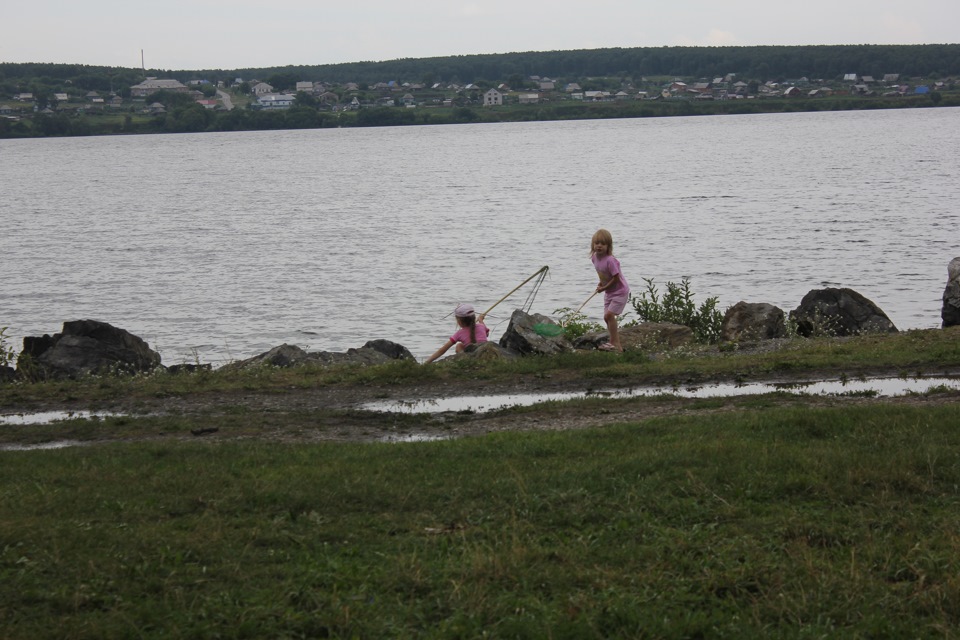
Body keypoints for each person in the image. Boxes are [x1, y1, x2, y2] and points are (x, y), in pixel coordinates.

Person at [591, 228, 630, 352]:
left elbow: (616, 278)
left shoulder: (611, 260)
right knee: (606, 317)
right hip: (609, 291)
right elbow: (603, 275)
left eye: (603, 244)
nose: (599, 246)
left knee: (609, 315)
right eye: (597, 243)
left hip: (620, 291)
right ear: (593, 245)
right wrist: (601, 284)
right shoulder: (594, 258)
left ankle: (614, 343)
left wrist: (604, 288)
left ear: (608, 246)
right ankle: (616, 343)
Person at [424, 303, 489, 363]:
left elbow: (442, 350)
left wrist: (427, 362)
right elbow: (486, 334)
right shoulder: (481, 326)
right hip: (484, 354)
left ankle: (465, 361)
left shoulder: (459, 333)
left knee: (459, 346)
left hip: (471, 357)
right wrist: (481, 321)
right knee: (461, 345)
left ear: (459, 321)